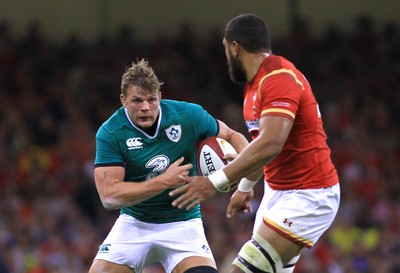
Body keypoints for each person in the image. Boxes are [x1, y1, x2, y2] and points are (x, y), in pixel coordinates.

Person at [170, 14, 340, 273]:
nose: (227, 59)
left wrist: (212, 182)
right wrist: (246, 186)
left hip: (308, 194)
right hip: (278, 192)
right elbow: (262, 148)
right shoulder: (255, 86)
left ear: (234, 47)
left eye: (226, 51)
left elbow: (271, 144)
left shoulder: (278, 78)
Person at [88, 59, 251, 273]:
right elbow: (109, 197)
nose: (145, 107)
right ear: (123, 101)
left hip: (184, 222)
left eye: (151, 100)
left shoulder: (187, 116)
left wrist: (244, 180)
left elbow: (232, 135)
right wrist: (164, 181)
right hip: (134, 222)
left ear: (160, 97)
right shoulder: (110, 132)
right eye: (137, 100)